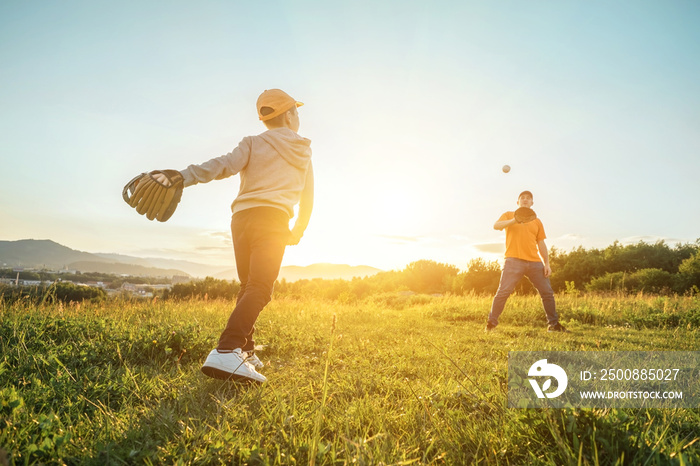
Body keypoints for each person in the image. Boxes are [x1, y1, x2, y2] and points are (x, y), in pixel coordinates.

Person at [157, 89, 314, 382]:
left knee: (248, 285)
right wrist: (297, 230)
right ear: (290, 114)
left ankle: (245, 351)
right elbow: (308, 198)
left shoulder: (252, 143)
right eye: (297, 111)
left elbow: (222, 165)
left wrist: (182, 175)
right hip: (273, 219)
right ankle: (227, 350)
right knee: (261, 288)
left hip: (241, 220)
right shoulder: (303, 150)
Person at [485, 191, 566, 333]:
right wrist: (515, 220)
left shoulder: (537, 221)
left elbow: (541, 243)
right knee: (503, 292)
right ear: (518, 202)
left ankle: (553, 325)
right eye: (522, 198)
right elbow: (496, 226)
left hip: (535, 262)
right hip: (513, 260)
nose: (525, 200)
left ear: (532, 203)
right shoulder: (509, 215)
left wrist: (546, 263)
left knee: (547, 293)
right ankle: (491, 325)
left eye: (528, 198)